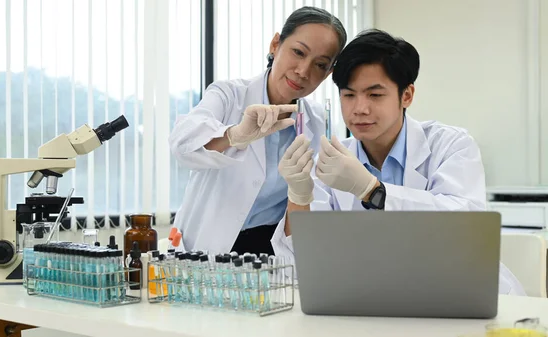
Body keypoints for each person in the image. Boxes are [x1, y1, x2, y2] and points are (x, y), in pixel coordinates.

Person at [273, 29, 526, 296]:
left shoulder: (451, 145)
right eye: (349, 95)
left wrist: (373, 191)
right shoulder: (328, 161)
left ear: (406, 95)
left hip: (457, 292)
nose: (359, 108)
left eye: (375, 95)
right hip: (369, 299)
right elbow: (302, 268)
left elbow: (466, 230)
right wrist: (298, 198)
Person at [168, 6, 347, 255]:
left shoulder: (316, 123)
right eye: (298, 52)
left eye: (319, 64)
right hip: (206, 247)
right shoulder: (228, 95)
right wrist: (233, 135)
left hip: (270, 252)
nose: (303, 71)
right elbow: (182, 144)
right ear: (275, 44)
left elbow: (314, 204)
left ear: (328, 74)